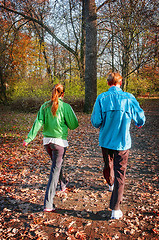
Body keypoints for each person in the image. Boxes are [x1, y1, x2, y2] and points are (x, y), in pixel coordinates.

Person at [91, 72, 145, 219]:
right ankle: (115, 209)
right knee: (120, 173)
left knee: (108, 165)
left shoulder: (101, 97)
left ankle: (110, 183)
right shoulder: (129, 97)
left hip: (106, 140)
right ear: (120, 83)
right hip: (122, 141)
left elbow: (96, 122)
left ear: (108, 83)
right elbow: (140, 117)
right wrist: (139, 123)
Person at [23, 84, 79, 212]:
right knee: (55, 170)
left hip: (47, 143)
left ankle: (63, 183)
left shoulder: (44, 106)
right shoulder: (66, 107)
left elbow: (38, 122)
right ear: (63, 94)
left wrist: (29, 139)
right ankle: (48, 204)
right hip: (59, 143)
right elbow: (74, 125)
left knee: (57, 165)